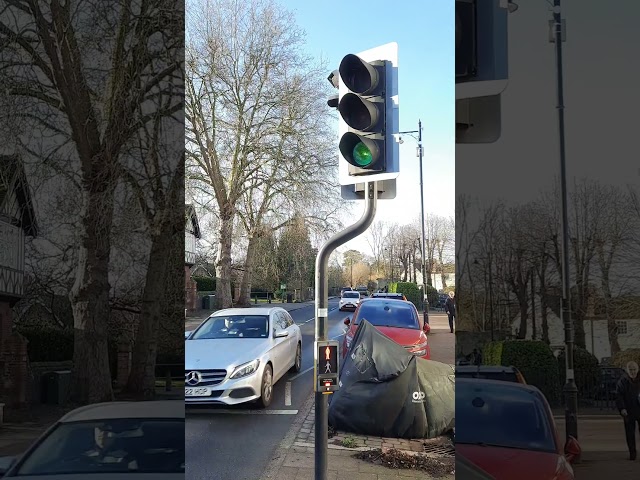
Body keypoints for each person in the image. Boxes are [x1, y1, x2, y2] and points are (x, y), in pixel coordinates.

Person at [616, 361, 640, 460]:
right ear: (627, 370)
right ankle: (632, 454)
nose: (633, 372)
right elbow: (619, 396)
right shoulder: (623, 381)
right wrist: (622, 408)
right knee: (630, 434)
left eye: (634, 369)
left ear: (637, 369)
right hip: (628, 410)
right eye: (631, 370)